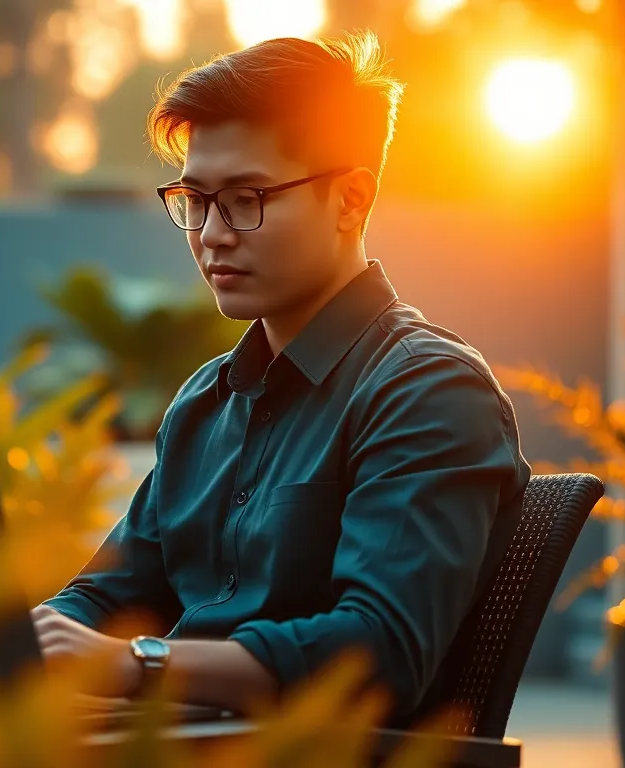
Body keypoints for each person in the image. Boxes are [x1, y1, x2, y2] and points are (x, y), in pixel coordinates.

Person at [30, 29, 531, 723]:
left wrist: (138, 664)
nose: (211, 233)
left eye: (246, 198)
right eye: (195, 200)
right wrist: (24, 639)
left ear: (352, 201)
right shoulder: (205, 405)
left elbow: (377, 654)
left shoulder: (429, 392)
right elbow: (107, 594)